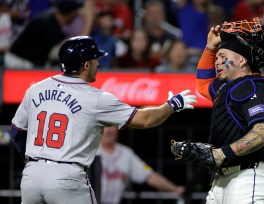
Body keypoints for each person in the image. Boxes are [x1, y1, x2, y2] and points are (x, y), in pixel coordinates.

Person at [10, 36, 196, 204]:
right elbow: (145, 120)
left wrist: (34, 163)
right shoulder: (95, 97)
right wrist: (172, 105)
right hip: (66, 177)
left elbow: (17, 131)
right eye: (95, 59)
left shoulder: (36, 89)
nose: (98, 63)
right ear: (85, 65)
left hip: (31, 177)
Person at [175, 17, 264, 203]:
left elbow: (263, 132)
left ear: (242, 60)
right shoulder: (226, 88)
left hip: (248, 177)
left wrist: (221, 154)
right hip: (220, 181)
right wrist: (210, 48)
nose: (217, 62)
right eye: (216, 58)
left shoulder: (253, 86)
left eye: (223, 57)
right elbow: (203, 84)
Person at [98, 125, 185, 204]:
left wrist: (175, 189)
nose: (108, 130)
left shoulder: (126, 154)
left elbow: (150, 176)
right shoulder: (88, 152)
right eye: (105, 125)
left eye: (111, 125)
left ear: (118, 128)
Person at [4, 0, 85, 69]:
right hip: (18, 61)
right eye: (74, 13)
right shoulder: (47, 23)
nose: (75, 16)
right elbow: (61, 49)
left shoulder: (51, 18)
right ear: (69, 14)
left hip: (26, 61)